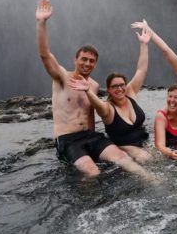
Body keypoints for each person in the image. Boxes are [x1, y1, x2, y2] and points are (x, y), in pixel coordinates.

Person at [35, 0, 151, 179]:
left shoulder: (94, 86)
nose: (87, 64)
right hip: (67, 139)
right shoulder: (62, 77)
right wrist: (42, 23)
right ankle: (91, 205)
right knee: (92, 171)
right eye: (84, 59)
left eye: (91, 61)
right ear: (76, 60)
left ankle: (153, 181)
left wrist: (144, 45)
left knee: (123, 158)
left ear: (95, 64)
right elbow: (44, 54)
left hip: (91, 136)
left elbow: (139, 73)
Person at [66, 20, 154, 164]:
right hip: (124, 147)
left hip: (144, 141)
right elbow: (98, 106)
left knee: (162, 155)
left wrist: (144, 45)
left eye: (121, 85)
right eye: (114, 87)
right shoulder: (108, 108)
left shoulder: (130, 92)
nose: (119, 89)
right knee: (148, 160)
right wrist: (88, 91)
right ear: (109, 90)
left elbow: (141, 70)